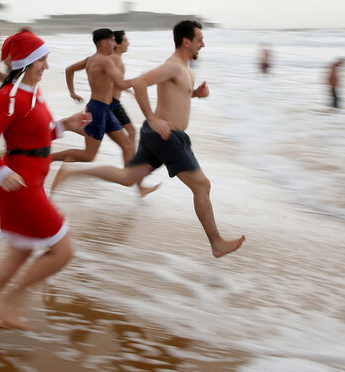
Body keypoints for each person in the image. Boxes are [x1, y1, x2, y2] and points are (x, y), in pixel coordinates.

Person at [52, 20, 245, 258]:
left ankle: (73, 173)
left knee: (128, 177)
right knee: (202, 185)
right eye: (199, 40)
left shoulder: (185, 69)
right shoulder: (173, 66)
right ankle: (216, 243)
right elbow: (142, 82)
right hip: (166, 135)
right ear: (186, 42)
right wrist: (152, 118)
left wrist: (195, 94)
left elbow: (179, 96)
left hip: (161, 135)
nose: (202, 45)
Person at [0, 30, 91, 329]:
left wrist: (64, 125)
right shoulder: (9, 95)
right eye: (42, 61)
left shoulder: (33, 92)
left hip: (31, 180)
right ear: (27, 62)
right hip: (19, 185)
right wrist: (1, 173)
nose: (46, 66)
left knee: (20, 252)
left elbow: (35, 134)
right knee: (64, 249)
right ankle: (10, 301)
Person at [51, 28, 135, 164]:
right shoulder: (105, 61)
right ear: (103, 43)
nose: (114, 44)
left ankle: (131, 179)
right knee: (89, 155)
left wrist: (72, 92)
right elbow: (121, 83)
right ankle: (48, 158)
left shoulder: (90, 59)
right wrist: (147, 79)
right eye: (112, 40)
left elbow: (69, 69)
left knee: (127, 145)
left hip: (104, 108)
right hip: (99, 109)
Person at [66, 29, 137, 146]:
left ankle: (67, 125)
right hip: (109, 103)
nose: (128, 43)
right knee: (127, 133)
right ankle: (67, 126)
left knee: (100, 134)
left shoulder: (104, 59)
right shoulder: (109, 60)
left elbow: (114, 81)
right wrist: (142, 81)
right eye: (125, 41)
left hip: (104, 104)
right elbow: (118, 83)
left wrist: (72, 92)